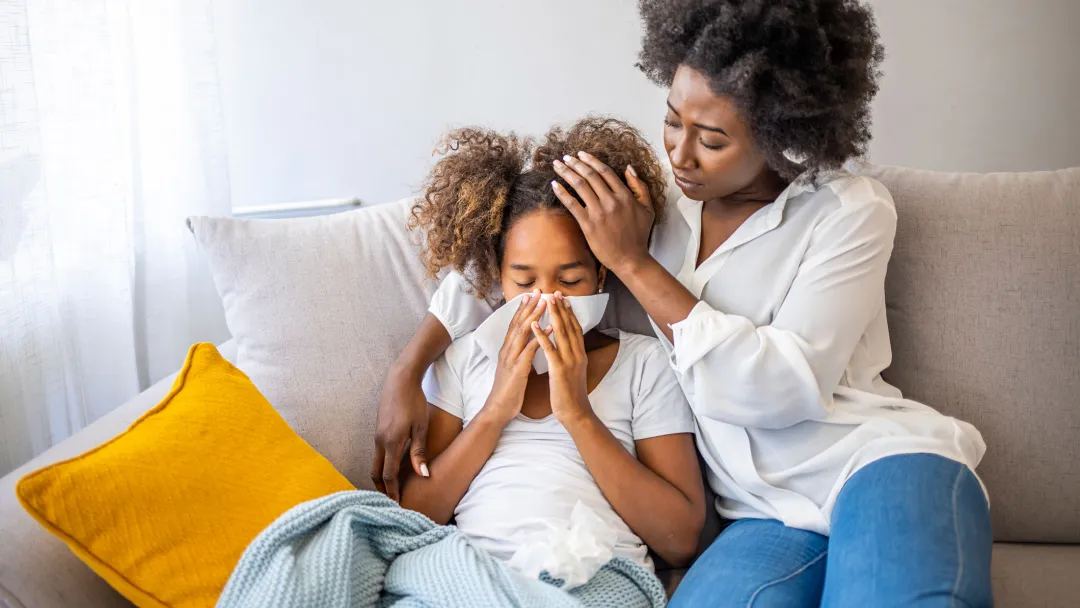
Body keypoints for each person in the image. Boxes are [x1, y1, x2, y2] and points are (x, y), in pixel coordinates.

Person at [378, 0, 992, 605]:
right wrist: (407, 371)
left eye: (713, 138)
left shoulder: (848, 211)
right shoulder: (658, 207)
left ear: (781, 130)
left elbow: (784, 386)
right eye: (673, 121)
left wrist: (633, 263)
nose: (680, 154)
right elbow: (499, 261)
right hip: (756, 511)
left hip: (876, 462)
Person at [397, 118, 706, 574]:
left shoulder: (644, 364)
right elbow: (414, 518)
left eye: (570, 280)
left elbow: (681, 542)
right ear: (498, 279)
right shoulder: (464, 361)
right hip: (472, 576)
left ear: (602, 274)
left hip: (595, 575)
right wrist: (495, 410)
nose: (546, 300)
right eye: (524, 281)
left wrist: (578, 413)